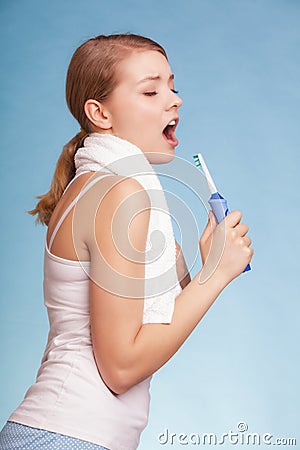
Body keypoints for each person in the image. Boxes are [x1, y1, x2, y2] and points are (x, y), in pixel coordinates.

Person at [0, 33, 253, 450]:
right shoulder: (120, 194)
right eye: (151, 90)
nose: (174, 100)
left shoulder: (98, 187)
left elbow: (151, 326)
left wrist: (209, 266)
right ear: (100, 113)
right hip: (66, 436)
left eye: (173, 87)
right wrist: (215, 275)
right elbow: (119, 367)